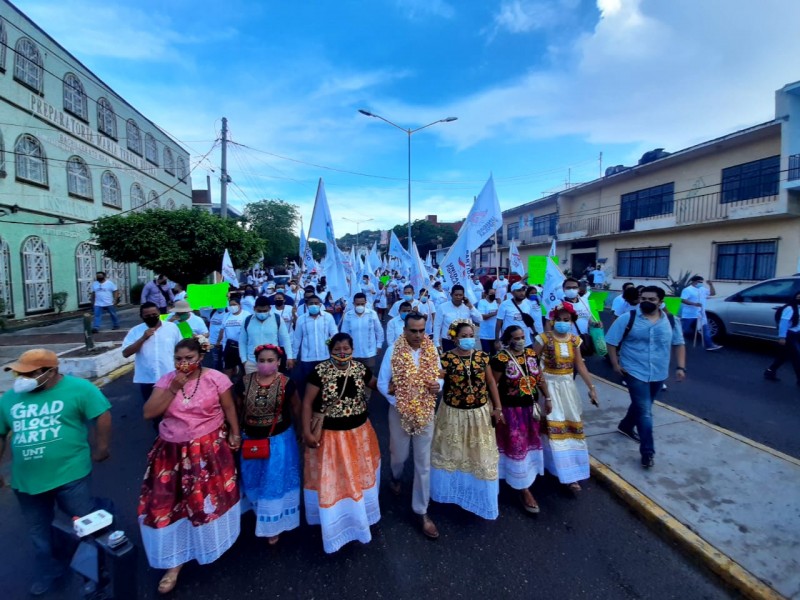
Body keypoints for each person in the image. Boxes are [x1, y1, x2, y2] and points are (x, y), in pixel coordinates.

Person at [0, 349, 111, 596]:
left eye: (29, 373)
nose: (20, 377)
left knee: (85, 527)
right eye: (19, 372)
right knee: (38, 532)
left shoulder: (80, 389)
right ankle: (50, 571)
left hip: (70, 474)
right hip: (26, 481)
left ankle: (94, 576)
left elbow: (101, 414)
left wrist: (102, 447)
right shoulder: (9, 399)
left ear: (51, 372)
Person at [138, 337, 241, 594]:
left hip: (208, 449)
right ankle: (174, 563)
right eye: (179, 359)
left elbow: (229, 407)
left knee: (205, 501)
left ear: (200, 358)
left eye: (189, 359)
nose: (183, 364)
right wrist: (173, 388)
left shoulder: (215, 378)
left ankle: (211, 544)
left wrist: (235, 433)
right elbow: (149, 413)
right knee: (169, 504)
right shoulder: (166, 381)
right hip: (171, 451)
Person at [301, 333, 381, 553]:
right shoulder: (320, 371)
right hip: (331, 437)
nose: (342, 353)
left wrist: (402, 384)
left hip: (359, 434)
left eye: (346, 348)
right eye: (338, 349)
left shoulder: (359, 369)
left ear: (352, 349)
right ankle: (334, 522)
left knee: (357, 475)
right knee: (336, 479)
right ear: (330, 350)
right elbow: (307, 402)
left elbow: (377, 385)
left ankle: (359, 516)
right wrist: (306, 432)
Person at [377, 312, 443, 538]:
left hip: (425, 411)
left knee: (423, 463)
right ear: (404, 330)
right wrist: (403, 404)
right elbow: (382, 384)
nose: (417, 335)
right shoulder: (392, 351)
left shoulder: (431, 349)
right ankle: (396, 477)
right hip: (399, 412)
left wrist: (438, 385)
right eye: (413, 330)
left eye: (421, 330)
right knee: (399, 456)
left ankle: (421, 511)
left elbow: (439, 375)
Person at [606, 286, 686, 469]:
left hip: (659, 372)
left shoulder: (672, 321)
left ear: (660, 301)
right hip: (634, 370)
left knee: (643, 405)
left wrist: (681, 367)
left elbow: (679, 344)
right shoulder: (628, 318)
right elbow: (611, 341)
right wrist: (615, 364)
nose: (646, 302)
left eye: (652, 299)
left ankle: (625, 426)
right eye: (643, 299)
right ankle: (648, 452)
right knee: (645, 411)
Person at [430, 320, 503, 520]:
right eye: (464, 336)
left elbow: (490, 383)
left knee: (479, 456)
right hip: (453, 414)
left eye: (471, 335)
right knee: (452, 453)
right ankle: (451, 494)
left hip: (479, 414)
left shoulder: (482, 357)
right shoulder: (445, 359)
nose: (469, 339)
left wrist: (497, 407)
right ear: (454, 338)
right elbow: (438, 381)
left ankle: (477, 496)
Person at [236, 344, 301, 544]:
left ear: (278, 362)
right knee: (253, 478)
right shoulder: (244, 382)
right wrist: (235, 433)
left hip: (279, 441)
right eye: (262, 361)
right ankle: (258, 512)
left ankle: (273, 525)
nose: (265, 364)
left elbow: (296, 409)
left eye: (270, 360)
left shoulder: (287, 383)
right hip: (250, 439)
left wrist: (301, 433)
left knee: (274, 482)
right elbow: (238, 410)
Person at [533, 303, 599, 492]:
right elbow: (531, 362)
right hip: (547, 388)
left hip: (567, 388)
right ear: (553, 320)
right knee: (550, 428)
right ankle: (546, 467)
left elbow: (580, 365)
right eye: (559, 320)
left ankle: (570, 475)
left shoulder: (574, 340)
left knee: (570, 427)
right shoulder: (543, 338)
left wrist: (591, 387)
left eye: (566, 320)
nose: (562, 323)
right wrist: (540, 388)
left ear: (572, 322)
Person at [491, 326, 549, 513]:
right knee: (515, 445)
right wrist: (497, 408)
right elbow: (493, 384)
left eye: (523, 337)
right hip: (510, 411)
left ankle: (526, 477)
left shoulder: (531, 354)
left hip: (529, 409)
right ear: (509, 339)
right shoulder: (501, 358)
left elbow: (538, 378)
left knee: (529, 443)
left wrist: (547, 397)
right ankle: (523, 488)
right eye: (516, 337)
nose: (521, 340)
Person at [122, 302, 184, 405]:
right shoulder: (135, 331)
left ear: (159, 313)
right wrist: (143, 338)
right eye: (147, 316)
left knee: (174, 408)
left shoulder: (172, 328)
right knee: (153, 410)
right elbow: (126, 353)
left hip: (170, 376)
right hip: (147, 379)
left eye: (154, 315)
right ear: (141, 316)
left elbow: (180, 349)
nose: (151, 317)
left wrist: (182, 370)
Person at [292, 295, 339, 392]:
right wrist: (293, 356)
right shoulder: (301, 319)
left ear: (320, 305)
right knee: (308, 384)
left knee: (325, 384)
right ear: (306, 305)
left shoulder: (328, 317)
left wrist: (326, 342)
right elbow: (297, 339)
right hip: (307, 358)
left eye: (316, 303)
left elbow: (334, 334)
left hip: (325, 357)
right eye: (311, 303)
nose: (314, 305)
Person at [239, 297, 295, 375]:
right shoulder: (247, 320)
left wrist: (289, 357)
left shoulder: (277, 319)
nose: (262, 313)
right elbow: (242, 342)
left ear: (269, 308)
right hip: (252, 362)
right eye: (259, 311)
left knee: (272, 386)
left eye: (265, 311)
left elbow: (285, 339)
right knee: (252, 386)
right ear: (254, 308)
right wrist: (244, 360)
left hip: (271, 361)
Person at [340, 293, 384, 371]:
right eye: (357, 304)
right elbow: (344, 333)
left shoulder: (372, 314)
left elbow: (379, 331)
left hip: (369, 352)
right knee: (355, 376)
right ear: (353, 303)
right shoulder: (348, 315)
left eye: (362, 304)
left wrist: (379, 345)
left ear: (365, 303)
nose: (360, 306)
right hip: (353, 352)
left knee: (369, 375)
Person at [766, 291, 800, 385]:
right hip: (789, 335)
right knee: (797, 357)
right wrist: (782, 337)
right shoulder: (790, 308)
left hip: (797, 334)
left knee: (783, 357)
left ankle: (769, 371)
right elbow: (783, 323)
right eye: (798, 297)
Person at [680, 276, 723, 351]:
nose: (701, 283)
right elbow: (683, 300)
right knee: (684, 330)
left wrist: (711, 285)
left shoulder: (702, 289)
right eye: (699, 282)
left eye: (701, 282)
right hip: (690, 314)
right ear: (694, 281)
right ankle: (677, 343)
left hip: (701, 313)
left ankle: (710, 345)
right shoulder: (687, 290)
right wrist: (694, 304)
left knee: (705, 329)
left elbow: (713, 293)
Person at [434, 285, 482, 350]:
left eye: (460, 295)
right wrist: (436, 342)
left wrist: (471, 307)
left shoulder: (468, 307)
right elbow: (437, 325)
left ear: (463, 296)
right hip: (448, 341)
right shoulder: (442, 307)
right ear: (451, 295)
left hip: (465, 341)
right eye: (456, 295)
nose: (458, 297)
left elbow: (479, 319)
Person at [495, 282, 540, 350]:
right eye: (518, 291)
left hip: (526, 341)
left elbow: (529, 321)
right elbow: (498, 324)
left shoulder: (528, 303)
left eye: (523, 290)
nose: (522, 293)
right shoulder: (504, 305)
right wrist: (497, 341)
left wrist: (535, 333)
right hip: (511, 342)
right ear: (512, 292)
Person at [217, 296, 251, 379]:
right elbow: (222, 329)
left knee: (245, 368)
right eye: (230, 305)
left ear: (239, 305)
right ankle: (228, 387)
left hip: (242, 345)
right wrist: (218, 341)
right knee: (227, 368)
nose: (232, 306)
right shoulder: (227, 315)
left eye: (234, 304)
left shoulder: (246, 315)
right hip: (229, 346)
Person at [477, 289, 501, 353]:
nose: (493, 295)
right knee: (486, 353)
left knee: (494, 354)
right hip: (485, 334)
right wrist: (495, 313)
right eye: (491, 294)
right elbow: (483, 317)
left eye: (494, 294)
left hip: (494, 334)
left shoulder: (496, 303)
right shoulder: (482, 302)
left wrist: (500, 304)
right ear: (486, 294)